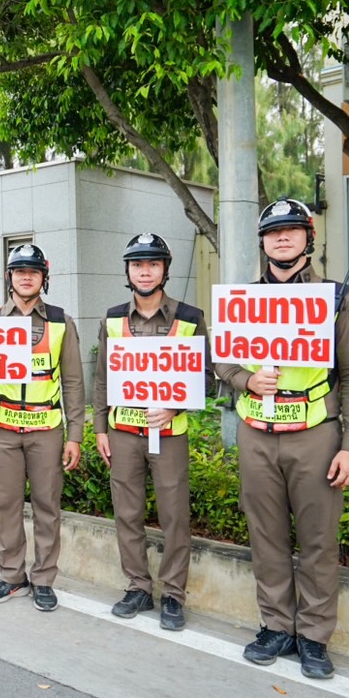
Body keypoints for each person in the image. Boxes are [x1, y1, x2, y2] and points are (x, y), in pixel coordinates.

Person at [214, 198, 349, 679]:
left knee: (320, 540)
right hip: (256, 433)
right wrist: (244, 380)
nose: (282, 238)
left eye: (292, 230)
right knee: (266, 536)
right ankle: (277, 625)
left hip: (315, 435)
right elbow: (222, 361)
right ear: (262, 242)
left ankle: (315, 636)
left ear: (308, 237)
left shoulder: (338, 297)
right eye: (273, 232)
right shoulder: (241, 300)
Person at [91, 234, 208, 630]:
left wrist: (175, 404)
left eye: (153, 264)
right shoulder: (111, 317)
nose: (145, 271)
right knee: (127, 511)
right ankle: (138, 586)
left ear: (165, 270)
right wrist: (100, 427)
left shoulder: (190, 317)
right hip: (123, 431)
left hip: (170, 432)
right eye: (138, 264)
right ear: (127, 270)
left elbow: (205, 375)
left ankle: (173, 594)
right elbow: (101, 376)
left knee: (174, 514)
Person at [0, 244, 85, 611]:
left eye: (32, 271)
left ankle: (44, 578)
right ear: (9, 277)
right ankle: (10, 576)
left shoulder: (61, 322)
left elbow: (73, 382)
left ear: (43, 278)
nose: (25, 276)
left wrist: (76, 435)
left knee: (47, 505)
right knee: (5, 504)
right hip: (2, 428)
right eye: (19, 271)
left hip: (45, 428)